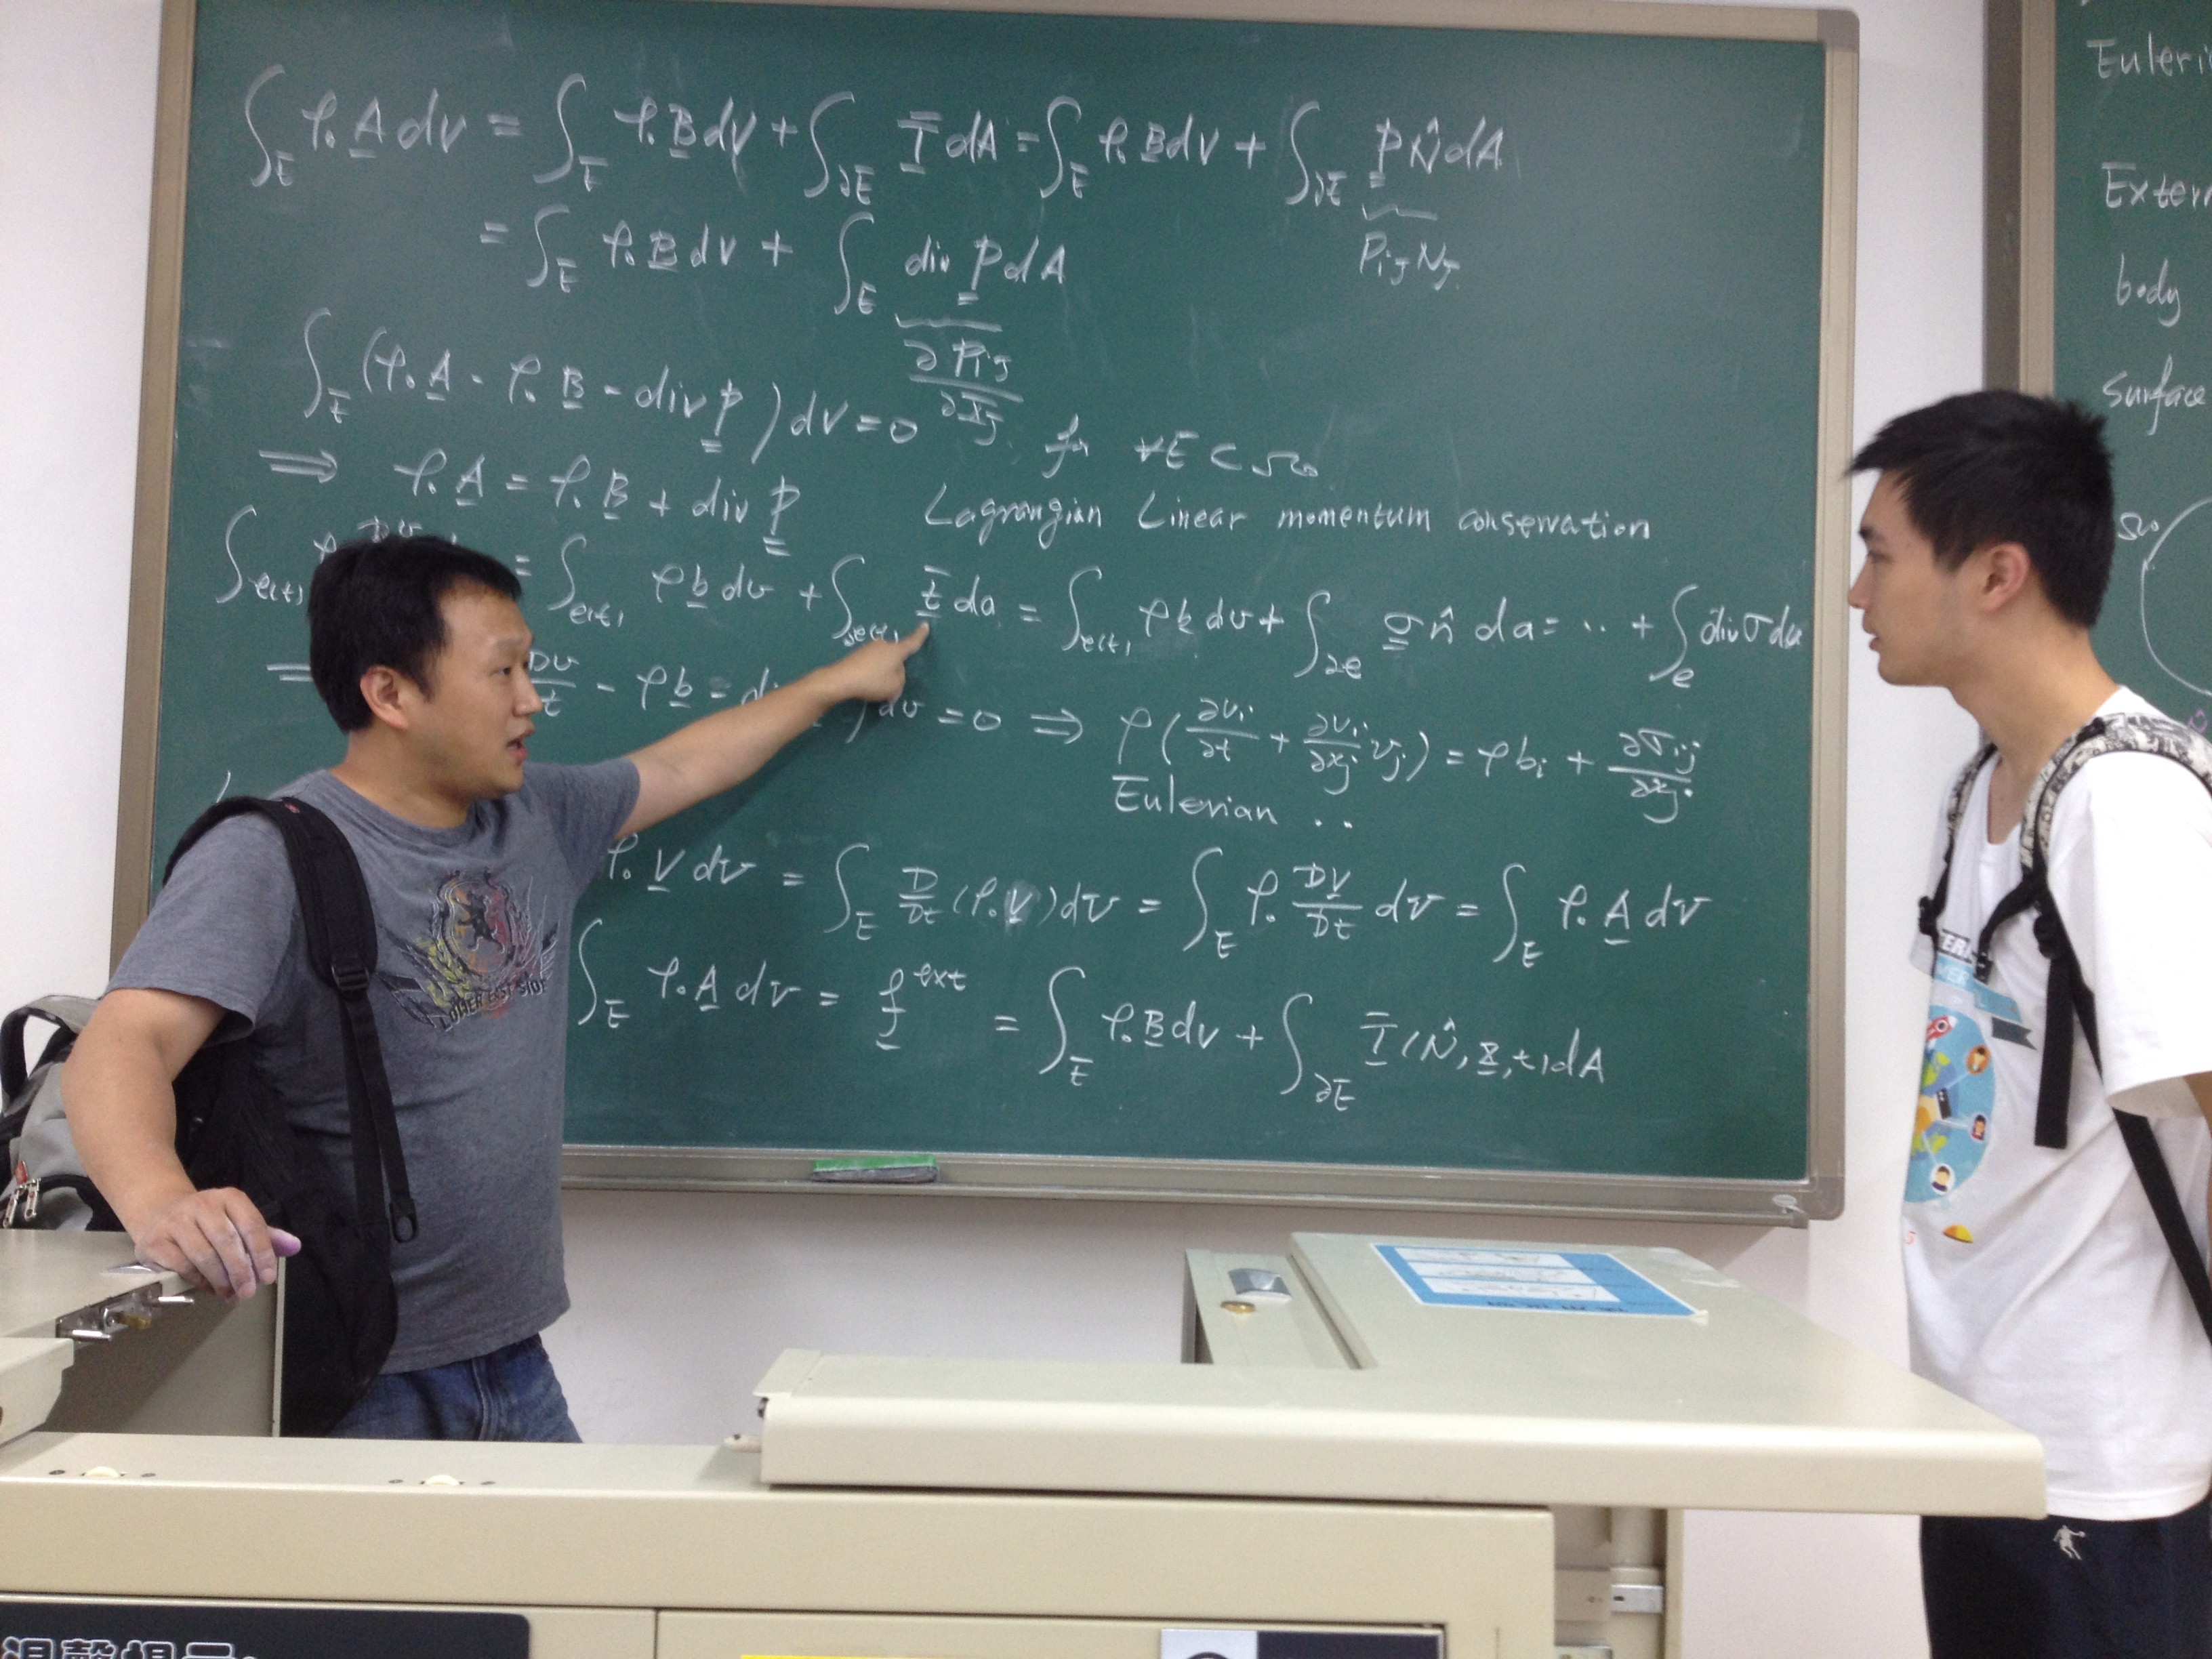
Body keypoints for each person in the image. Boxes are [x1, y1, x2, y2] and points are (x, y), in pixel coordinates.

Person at [64, 534, 924, 1441]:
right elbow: (120, 1046)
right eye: (502, 671)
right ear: (391, 693)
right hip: (355, 1375)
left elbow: (683, 766)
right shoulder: (270, 857)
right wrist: (163, 1202)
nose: (531, 699)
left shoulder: (536, 818)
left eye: (528, 667)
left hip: (513, 1360)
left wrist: (834, 684)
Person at [1850, 390, 2212, 1657]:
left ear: (1997, 575)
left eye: (1882, 555)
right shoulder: (1989, 785)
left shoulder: (2131, 808)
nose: (1858, 595)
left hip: (2106, 1465)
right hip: (1984, 1432)